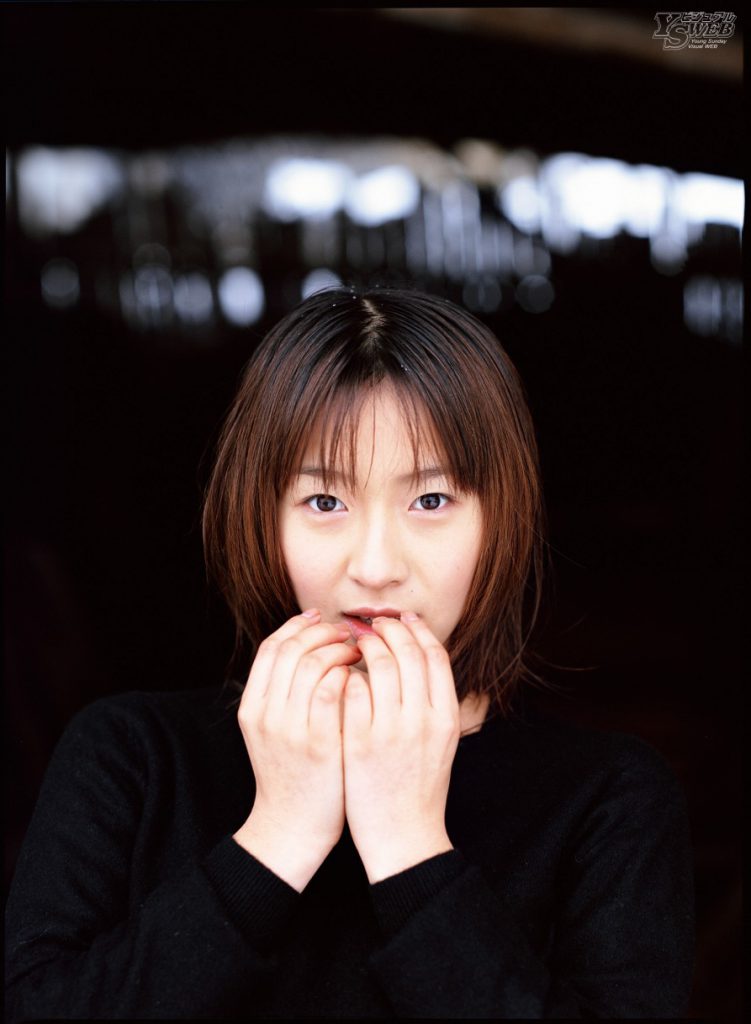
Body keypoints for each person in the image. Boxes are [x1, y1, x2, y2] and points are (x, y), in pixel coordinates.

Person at [5, 286, 694, 1019]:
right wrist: (276, 836)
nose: (375, 566)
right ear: (261, 517)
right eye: (325, 503)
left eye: (431, 501)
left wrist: (409, 847)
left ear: (502, 519)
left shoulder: (607, 800)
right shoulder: (132, 758)